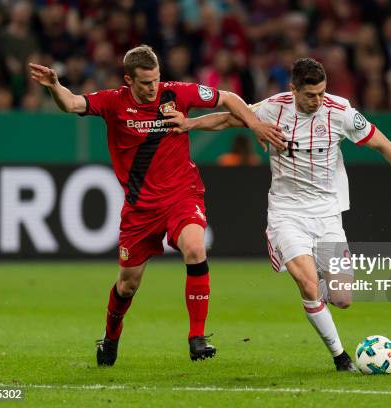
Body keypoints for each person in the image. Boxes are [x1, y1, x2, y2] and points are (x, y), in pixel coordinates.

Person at [29, 45, 284, 366]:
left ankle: (197, 337)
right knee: (127, 284)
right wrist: (55, 86)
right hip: (140, 209)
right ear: (128, 80)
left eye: (156, 80)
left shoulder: (176, 94)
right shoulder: (112, 101)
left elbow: (228, 98)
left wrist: (255, 124)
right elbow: (71, 103)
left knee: (195, 247)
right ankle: (110, 337)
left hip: (182, 195)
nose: (153, 88)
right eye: (146, 83)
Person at [174, 58, 391, 371]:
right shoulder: (273, 108)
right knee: (309, 286)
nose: (317, 100)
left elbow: (382, 144)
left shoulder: (340, 112)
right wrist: (190, 124)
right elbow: (229, 119)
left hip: (327, 213)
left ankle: (318, 292)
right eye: (310, 95)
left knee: (342, 298)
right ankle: (341, 358)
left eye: (322, 93)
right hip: (287, 212)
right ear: (294, 89)